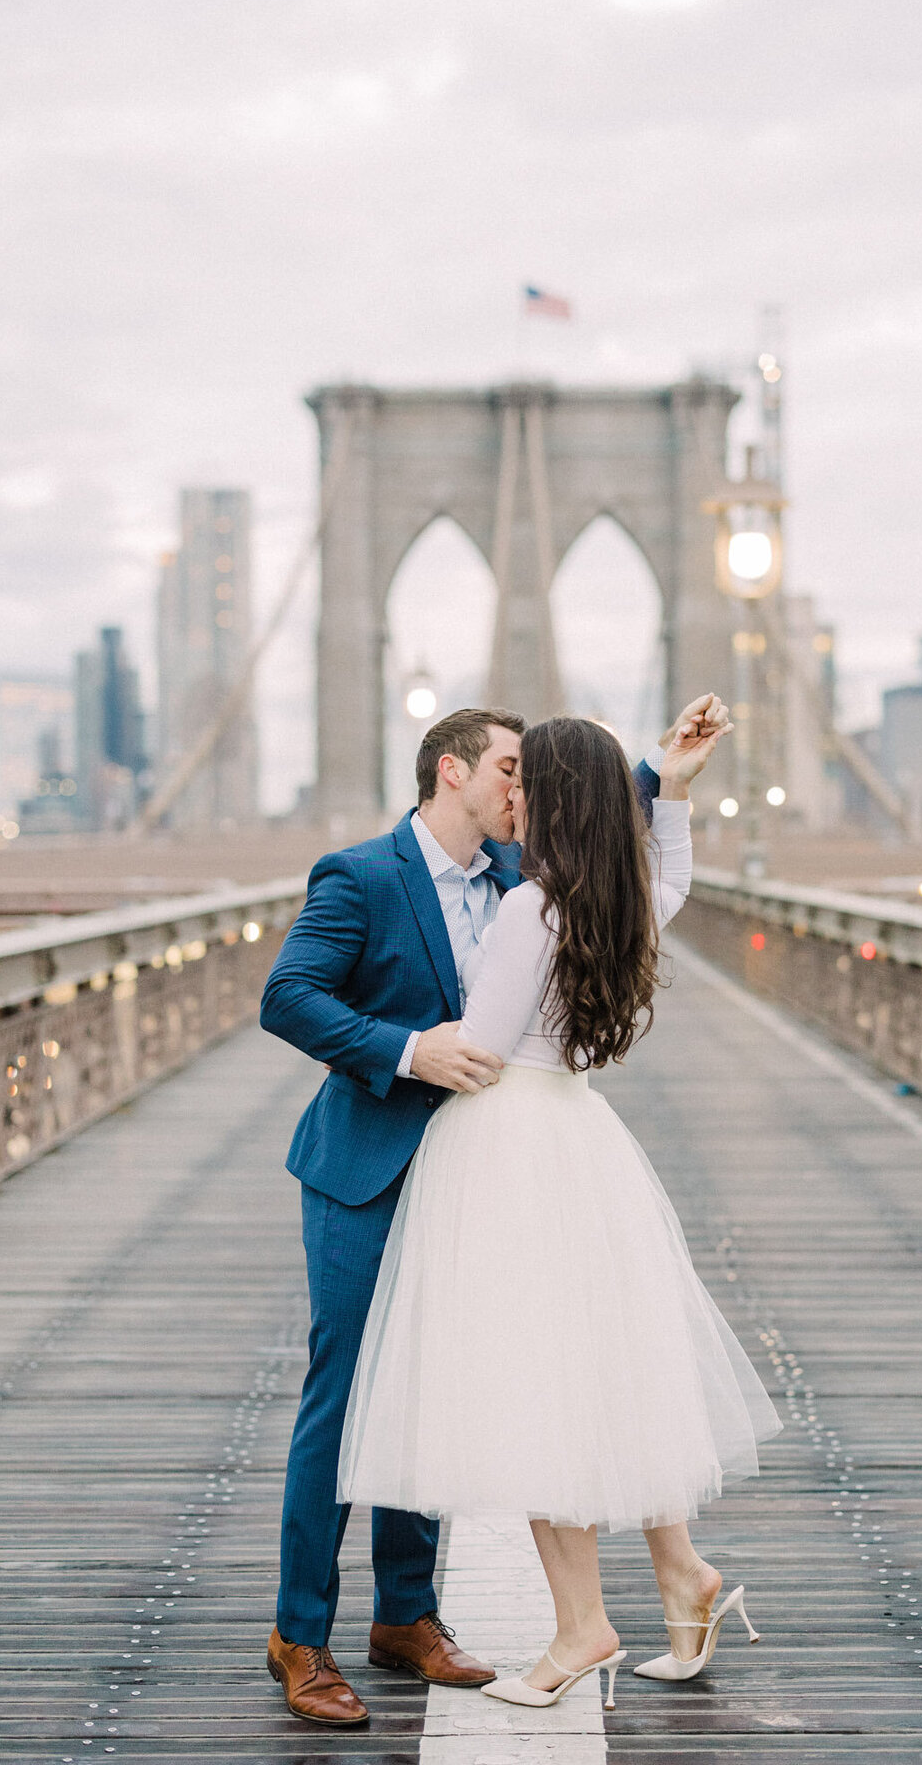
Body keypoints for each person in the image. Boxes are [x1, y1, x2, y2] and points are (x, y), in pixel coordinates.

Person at [259, 697, 730, 1725]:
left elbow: (602, 846)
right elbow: (287, 995)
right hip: (375, 1164)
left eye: (532, 775)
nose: (522, 787)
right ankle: (302, 1637)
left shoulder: (527, 880)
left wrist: (656, 775)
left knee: (450, 1392)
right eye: (506, 769)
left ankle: (407, 1618)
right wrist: (404, 1048)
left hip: (494, 1166)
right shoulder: (362, 875)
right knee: (346, 1400)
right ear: (452, 773)